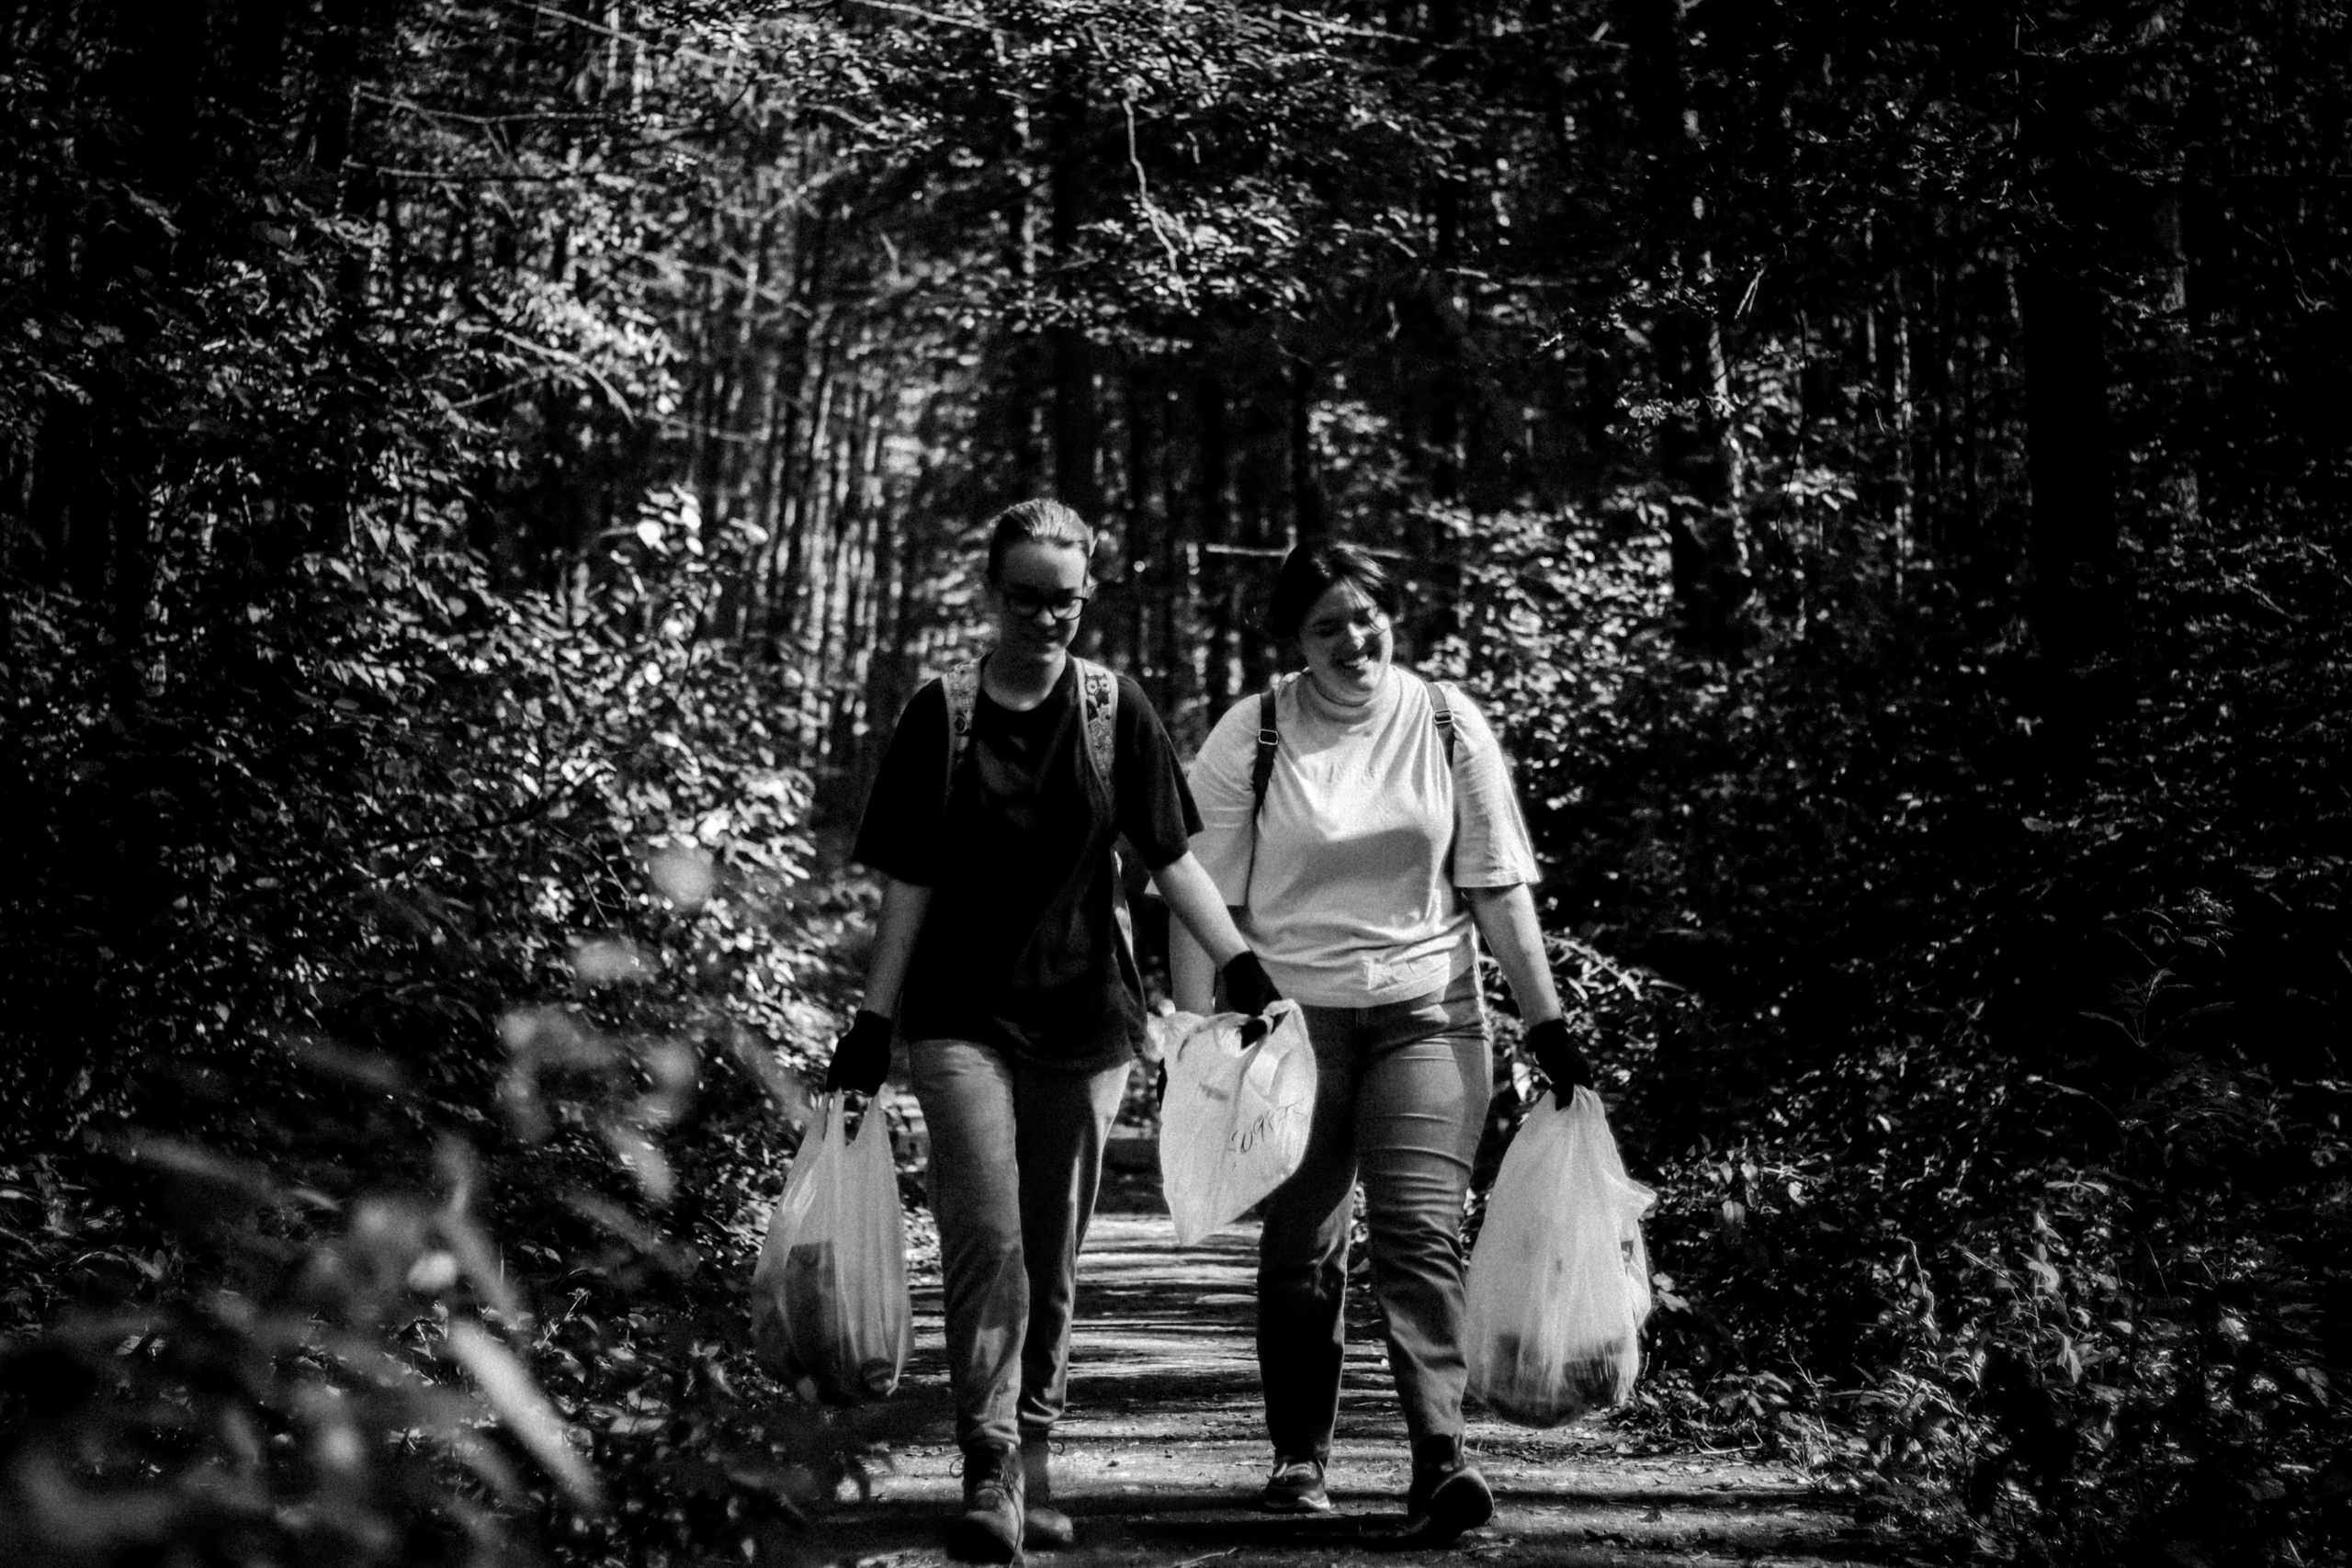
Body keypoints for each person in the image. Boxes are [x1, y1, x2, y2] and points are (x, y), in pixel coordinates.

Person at [823, 500, 1279, 1565]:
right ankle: (986, 1471)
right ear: (991, 595)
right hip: (958, 1019)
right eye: (1023, 598)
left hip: (1084, 1020)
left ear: (1087, 597)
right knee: (986, 1240)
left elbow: (1170, 861)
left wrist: (1244, 966)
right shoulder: (941, 715)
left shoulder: (1115, 710)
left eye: (1063, 600)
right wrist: (871, 1020)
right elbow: (909, 883)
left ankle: (1034, 1454)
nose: (1044, 617)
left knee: (1051, 1252)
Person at [1170, 540, 1593, 1545]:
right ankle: (1298, 1456)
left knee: (1417, 1235)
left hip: (1429, 1013)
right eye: (1326, 627)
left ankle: (1440, 1460)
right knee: (1304, 1243)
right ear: (1294, 641)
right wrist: (1199, 1041)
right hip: (1291, 1026)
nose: (1353, 640)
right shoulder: (1253, 731)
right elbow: (1197, 893)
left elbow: (1494, 883)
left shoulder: (1446, 721)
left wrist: (1547, 1021)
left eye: (1365, 617)